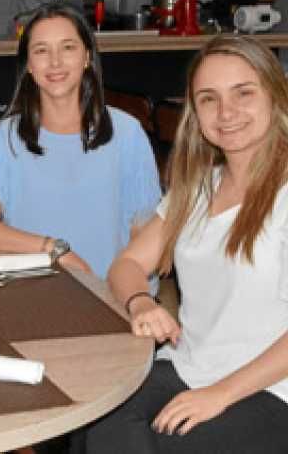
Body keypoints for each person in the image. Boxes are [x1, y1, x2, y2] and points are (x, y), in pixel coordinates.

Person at [85, 36, 288, 453]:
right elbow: (126, 264)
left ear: (275, 95)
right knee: (99, 423)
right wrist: (140, 302)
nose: (226, 112)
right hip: (189, 364)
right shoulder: (197, 187)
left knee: (160, 445)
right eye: (209, 99)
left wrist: (220, 395)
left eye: (243, 93)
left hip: (272, 386)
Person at [0, 2, 161, 280]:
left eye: (68, 47)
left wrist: (127, 295)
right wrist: (55, 250)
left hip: (110, 294)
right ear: (29, 66)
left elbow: (144, 235)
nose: (55, 62)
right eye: (41, 50)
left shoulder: (127, 133)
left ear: (87, 57)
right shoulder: (6, 136)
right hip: (34, 291)